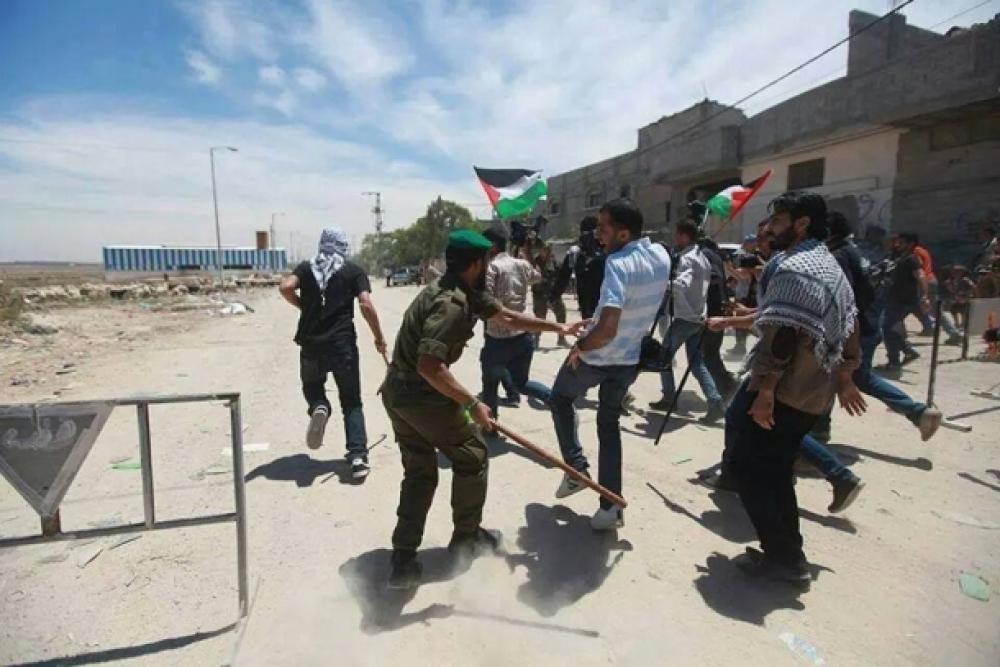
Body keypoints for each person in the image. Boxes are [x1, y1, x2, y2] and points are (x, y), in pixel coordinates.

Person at [381, 230, 584, 589]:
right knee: (473, 455)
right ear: (475, 264)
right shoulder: (451, 304)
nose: (488, 267)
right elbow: (429, 365)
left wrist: (559, 326)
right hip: (419, 394)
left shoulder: (464, 291)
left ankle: (403, 561)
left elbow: (509, 318)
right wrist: (472, 403)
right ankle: (466, 539)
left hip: (399, 395)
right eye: (486, 261)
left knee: (420, 474)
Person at [727, 192, 865, 584]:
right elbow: (851, 323)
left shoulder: (795, 267)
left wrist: (765, 391)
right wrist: (845, 375)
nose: (770, 229)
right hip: (813, 392)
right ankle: (788, 554)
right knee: (776, 471)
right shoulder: (829, 265)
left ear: (801, 224)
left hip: (786, 391)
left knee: (748, 470)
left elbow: (784, 335)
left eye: (778, 221)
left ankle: (784, 558)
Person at [549, 199, 671, 530]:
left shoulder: (617, 263)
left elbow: (606, 331)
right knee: (609, 426)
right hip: (629, 359)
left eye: (603, 228)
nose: (597, 234)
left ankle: (575, 469)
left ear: (624, 233)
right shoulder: (661, 255)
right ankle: (611, 507)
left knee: (559, 398)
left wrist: (580, 346)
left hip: (598, 356)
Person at [279, 228, 387, 479]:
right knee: (351, 401)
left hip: (311, 344)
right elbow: (366, 304)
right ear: (342, 246)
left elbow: (285, 287)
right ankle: (358, 456)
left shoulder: (306, 268)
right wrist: (379, 337)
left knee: (312, 387)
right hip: (342, 345)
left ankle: (319, 406)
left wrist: (304, 305)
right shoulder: (352, 271)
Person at [649, 220, 726, 423]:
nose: (675, 238)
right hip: (699, 316)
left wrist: (661, 284)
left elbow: (682, 284)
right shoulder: (702, 256)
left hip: (685, 318)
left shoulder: (688, 258)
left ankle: (669, 398)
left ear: (684, 236)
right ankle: (715, 402)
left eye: (677, 234)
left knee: (663, 357)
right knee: (696, 363)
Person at [480, 227, 552, 419]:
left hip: (498, 340)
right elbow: (537, 276)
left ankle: (490, 427)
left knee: (490, 386)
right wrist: (526, 255)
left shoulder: (491, 268)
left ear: (492, 246)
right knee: (522, 383)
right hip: (523, 336)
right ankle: (556, 400)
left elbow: (485, 300)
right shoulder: (521, 264)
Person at [880, 233, 927, 372]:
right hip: (896, 299)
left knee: (887, 329)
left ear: (910, 244)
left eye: (901, 242)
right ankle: (907, 351)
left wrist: (925, 296)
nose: (897, 244)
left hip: (903, 301)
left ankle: (894, 361)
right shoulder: (900, 257)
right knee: (892, 328)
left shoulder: (912, 259)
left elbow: (921, 276)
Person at [553, 215, 606, 319]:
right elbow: (563, 276)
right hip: (586, 305)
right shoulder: (575, 253)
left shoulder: (607, 250)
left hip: (605, 302)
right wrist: (555, 295)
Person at [531, 244, 569, 347]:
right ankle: (536, 339)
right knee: (540, 318)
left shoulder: (553, 261)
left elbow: (559, 274)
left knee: (561, 314)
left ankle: (561, 338)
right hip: (539, 294)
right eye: (544, 250)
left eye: (548, 250)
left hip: (552, 293)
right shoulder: (534, 262)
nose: (546, 252)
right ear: (540, 250)